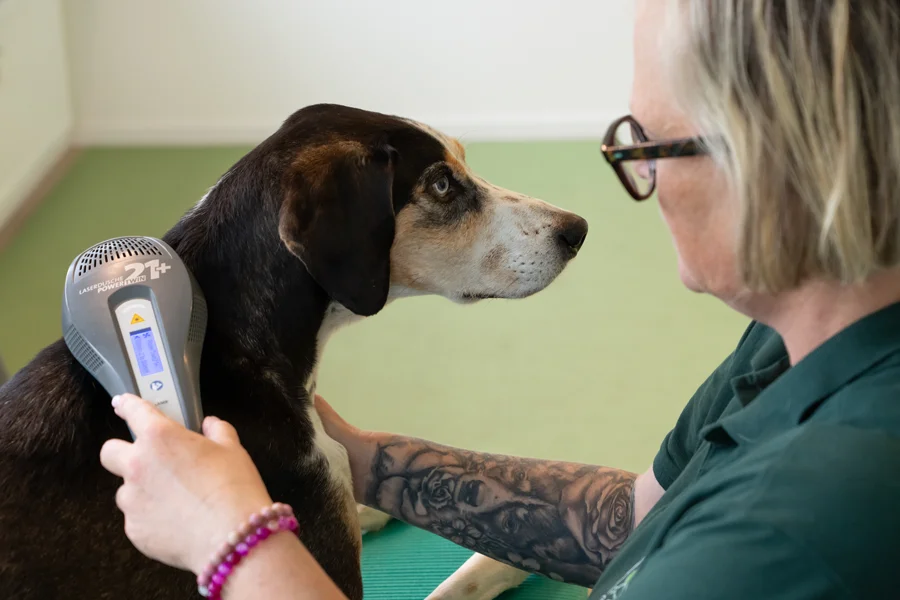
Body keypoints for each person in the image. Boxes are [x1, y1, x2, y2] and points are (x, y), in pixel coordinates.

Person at [99, 0, 900, 598]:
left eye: (646, 145)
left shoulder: (792, 525)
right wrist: (361, 464)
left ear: (782, 163)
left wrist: (232, 541)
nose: (641, 184)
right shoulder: (794, 347)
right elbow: (631, 517)